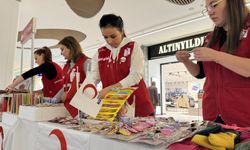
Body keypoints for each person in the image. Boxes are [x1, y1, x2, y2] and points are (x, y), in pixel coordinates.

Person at [176, 0, 250, 127]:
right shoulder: (210, 38)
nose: (210, 12)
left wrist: (215, 56)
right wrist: (186, 61)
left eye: (214, 5)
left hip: (243, 117)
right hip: (212, 115)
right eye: (207, 8)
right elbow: (200, 73)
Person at [90, 14, 154, 117]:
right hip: (114, 106)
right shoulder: (99, 53)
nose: (109, 41)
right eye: (105, 37)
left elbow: (135, 76)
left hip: (136, 104)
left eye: (113, 36)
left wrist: (110, 89)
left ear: (122, 31)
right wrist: (87, 91)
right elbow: (94, 78)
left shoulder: (133, 47)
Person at [58, 36, 90, 117]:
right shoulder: (66, 66)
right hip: (67, 108)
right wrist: (53, 100)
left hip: (82, 108)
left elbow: (90, 85)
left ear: (71, 48)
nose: (61, 53)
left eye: (62, 49)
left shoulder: (86, 62)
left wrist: (69, 94)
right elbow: (65, 87)